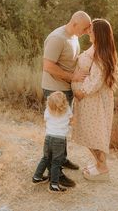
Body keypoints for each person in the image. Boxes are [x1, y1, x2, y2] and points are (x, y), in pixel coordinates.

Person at [41, 11, 91, 187]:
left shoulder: (74, 36)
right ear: (75, 23)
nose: (86, 32)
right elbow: (48, 66)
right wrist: (73, 77)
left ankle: (62, 159)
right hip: (54, 92)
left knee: (62, 129)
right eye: (84, 28)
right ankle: (56, 173)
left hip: (65, 89)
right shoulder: (57, 38)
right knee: (55, 132)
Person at [72, 18, 118, 181]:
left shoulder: (101, 54)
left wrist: (81, 92)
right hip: (88, 100)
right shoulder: (96, 47)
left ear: (99, 34)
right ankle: (98, 164)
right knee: (88, 132)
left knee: (94, 134)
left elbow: (96, 80)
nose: (88, 32)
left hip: (93, 100)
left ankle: (103, 169)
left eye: (91, 31)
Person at [32, 91, 73, 193]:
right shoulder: (67, 110)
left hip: (48, 137)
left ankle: (37, 177)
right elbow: (72, 120)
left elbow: (45, 120)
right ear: (64, 102)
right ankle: (54, 185)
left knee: (45, 158)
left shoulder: (48, 110)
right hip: (59, 140)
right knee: (56, 162)